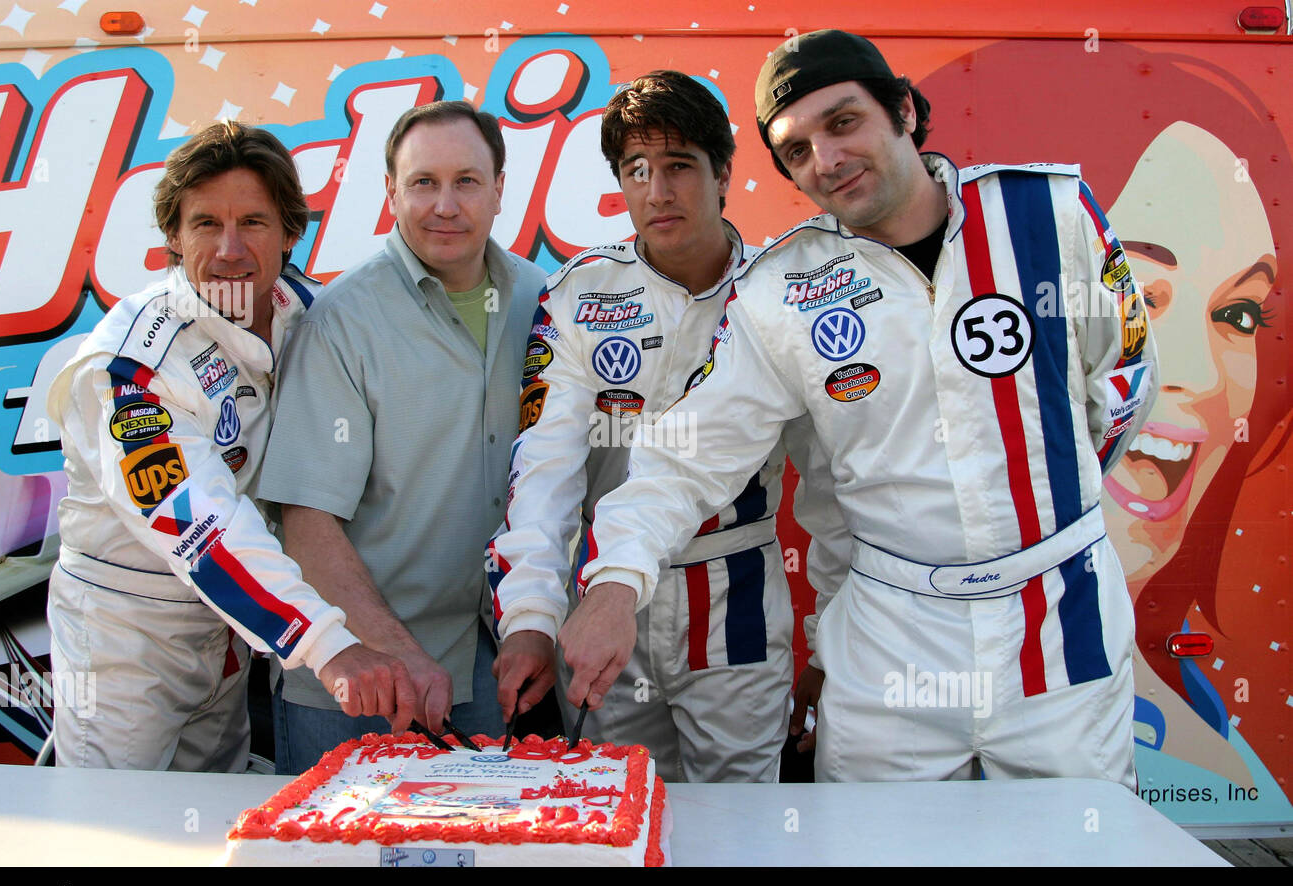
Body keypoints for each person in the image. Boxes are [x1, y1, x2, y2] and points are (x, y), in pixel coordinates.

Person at [556, 30, 1160, 786]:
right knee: (874, 847)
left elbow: (1127, 372)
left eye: (842, 123)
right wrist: (614, 582)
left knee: (1075, 845)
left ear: (904, 109)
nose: (827, 159)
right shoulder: (783, 287)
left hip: (1062, 621)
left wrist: (1046, 486)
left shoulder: (1050, 212)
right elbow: (688, 453)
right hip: (892, 639)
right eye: (798, 150)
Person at [922, 40, 1291, 810]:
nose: (1190, 372)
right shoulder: (913, 633)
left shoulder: (1204, 725)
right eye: (1144, 299)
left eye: (1238, 314)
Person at [485, 70, 846, 783]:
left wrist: (830, 646)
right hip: (604, 599)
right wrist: (529, 617)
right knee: (612, 802)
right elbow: (545, 471)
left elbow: (834, 491)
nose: (657, 191)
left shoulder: (782, 292)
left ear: (723, 176)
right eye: (637, 170)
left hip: (738, 591)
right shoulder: (581, 294)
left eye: (679, 166)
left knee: (743, 821)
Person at [46, 121, 420, 772]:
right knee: (112, 834)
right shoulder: (128, 365)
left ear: (289, 233)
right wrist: (330, 646)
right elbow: (202, 527)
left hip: (232, 629)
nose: (229, 249)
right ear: (171, 235)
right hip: (124, 636)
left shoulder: (315, 315)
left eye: (253, 221)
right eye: (203, 225)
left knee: (211, 817)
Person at [256, 102, 545, 773]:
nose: (445, 205)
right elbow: (307, 522)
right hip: (357, 684)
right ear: (390, 193)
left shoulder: (541, 300)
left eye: (467, 181)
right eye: (422, 182)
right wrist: (398, 654)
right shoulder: (341, 323)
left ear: (501, 189)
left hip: (489, 675)